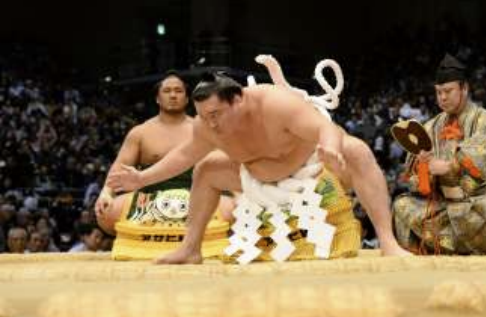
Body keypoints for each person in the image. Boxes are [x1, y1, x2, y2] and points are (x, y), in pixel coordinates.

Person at [108, 68, 409, 264]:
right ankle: (191, 247)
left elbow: (323, 128)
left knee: (357, 150)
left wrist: (330, 149)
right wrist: (142, 179)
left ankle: (387, 240)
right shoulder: (207, 126)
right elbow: (184, 156)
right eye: (203, 115)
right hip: (253, 179)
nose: (210, 122)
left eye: (216, 113)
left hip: (310, 170)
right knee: (207, 167)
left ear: (238, 99)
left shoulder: (276, 104)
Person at [393, 54, 486, 255]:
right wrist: (424, 169)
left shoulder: (483, 119)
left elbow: (483, 158)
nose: (442, 98)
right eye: (438, 92)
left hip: (477, 200)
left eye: (448, 91)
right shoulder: (430, 126)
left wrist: (450, 165)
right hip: (443, 204)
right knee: (401, 205)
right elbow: (411, 176)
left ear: (464, 88)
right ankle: (413, 258)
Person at [94, 72, 232, 259]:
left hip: (198, 195)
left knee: (234, 210)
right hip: (148, 199)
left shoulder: (205, 129)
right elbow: (120, 168)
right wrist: (106, 193)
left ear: (186, 98)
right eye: (167, 91)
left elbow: (224, 165)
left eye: (178, 91)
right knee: (107, 212)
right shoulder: (140, 133)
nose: (173, 95)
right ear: (157, 98)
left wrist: (239, 195)